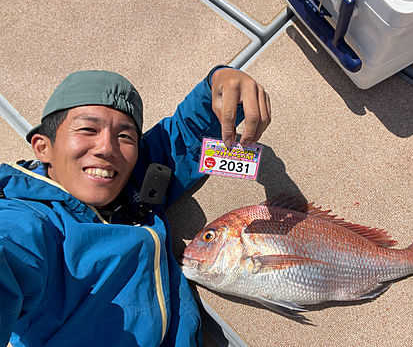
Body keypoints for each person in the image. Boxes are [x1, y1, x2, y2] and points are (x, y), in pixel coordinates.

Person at [0, 66, 271, 347]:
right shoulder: (24, 225)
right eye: (88, 129)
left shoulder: (130, 180)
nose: (107, 148)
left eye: (125, 136)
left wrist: (221, 81)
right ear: (42, 147)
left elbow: (183, 138)